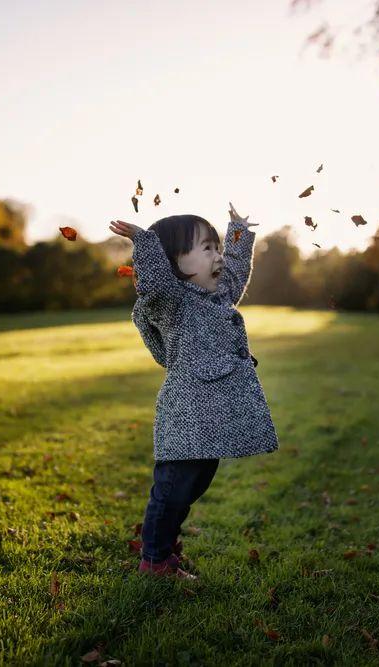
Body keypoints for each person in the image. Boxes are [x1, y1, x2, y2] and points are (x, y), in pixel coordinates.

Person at [108, 203, 280, 580]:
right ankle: (154, 560)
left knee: (193, 485)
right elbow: (153, 284)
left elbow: (235, 272)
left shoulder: (217, 298)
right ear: (175, 264)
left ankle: (164, 548)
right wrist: (145, 241)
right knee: (171, 489)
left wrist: (237, 232)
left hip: (211, 419)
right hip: (187, 417)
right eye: (206, 248)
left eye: (216, 247)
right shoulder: (174, 304)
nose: (217, 255)